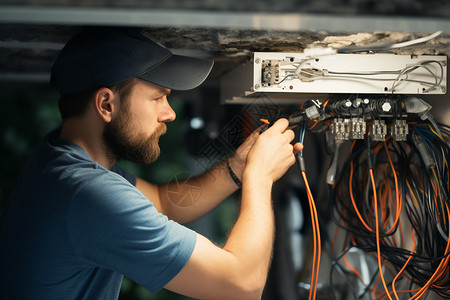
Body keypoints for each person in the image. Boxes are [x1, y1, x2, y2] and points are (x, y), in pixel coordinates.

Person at [0, 27, 302, 299]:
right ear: (106, 104)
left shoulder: (58, 159)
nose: (169, 113)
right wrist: (260, 179)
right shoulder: (89, 195)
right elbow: (242, 285)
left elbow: (164, 202)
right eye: (158, 97)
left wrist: (237, 169)